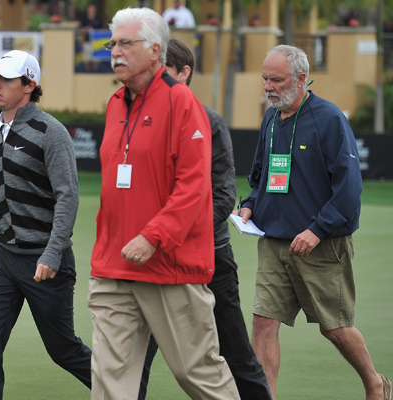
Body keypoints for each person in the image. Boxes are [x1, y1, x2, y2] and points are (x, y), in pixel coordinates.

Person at [88, 7, 240, 400]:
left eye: (126, 43)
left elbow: (194, 186)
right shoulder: (115, 103)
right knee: (109, 380)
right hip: (114, 265)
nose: (115, 52)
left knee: (197, 373)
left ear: (156, 50)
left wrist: (153, 236)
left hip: (168, 265)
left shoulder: (182, 103)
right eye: (112, 43)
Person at [239, 44, 392, 400]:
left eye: (276, 80)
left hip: (320, 246)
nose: (268, 86)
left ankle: (374, 382)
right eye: (265, 79)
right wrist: (248, 206)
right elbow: (260, 176)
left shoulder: (329, 118)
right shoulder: (270, 118)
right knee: (263, 323)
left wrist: (317, 229)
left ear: (301, 79)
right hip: (273, 243)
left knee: (335, 328)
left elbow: (349, 189)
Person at [138, 38, 272, 400]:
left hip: (207, 258)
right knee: (134, 360)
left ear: (184, 73)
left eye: (161, 72)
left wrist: (166, 235)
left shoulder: (209, 122)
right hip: (152, 259)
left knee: (236, 354)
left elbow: (222, 196)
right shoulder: (140, 120)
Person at [0, 50, 92, 399]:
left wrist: (52, 254)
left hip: (45, 260)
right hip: (1, 258)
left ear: (29, 84)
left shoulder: (50, 132)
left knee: (63, 349)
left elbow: (67, 196)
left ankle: (125, 392)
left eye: (6, 78)